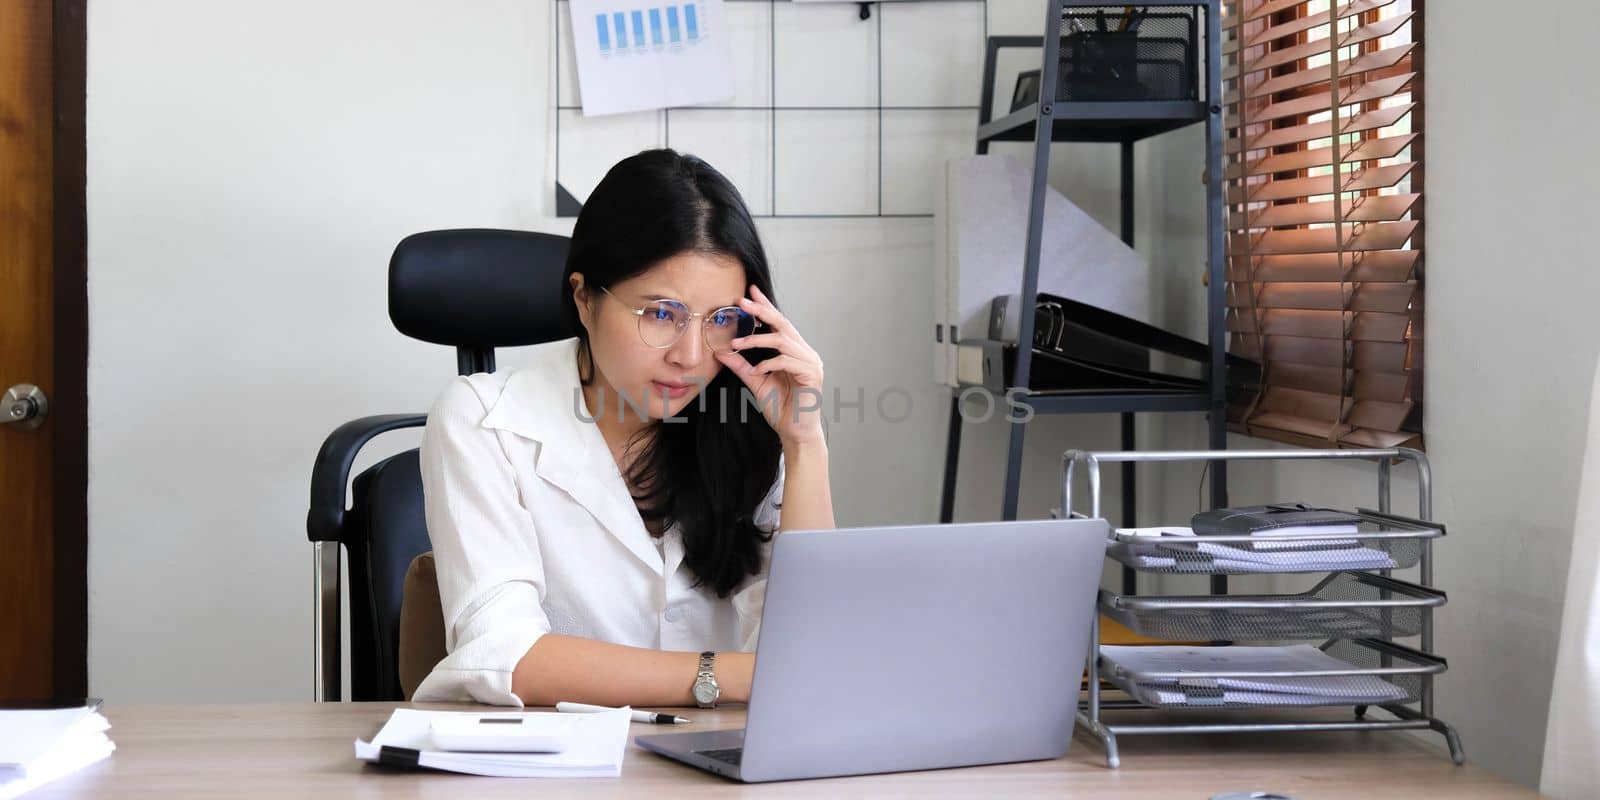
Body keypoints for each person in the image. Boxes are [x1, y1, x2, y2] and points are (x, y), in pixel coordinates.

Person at [412, 149, 835, 708]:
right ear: (584, 298)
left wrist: (805, 445)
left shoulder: (749, 423)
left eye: (720, 321)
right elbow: (507, 655)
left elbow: (813, 648)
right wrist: (732, 676)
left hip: (723, 765)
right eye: (662, 313)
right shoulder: (482, 419)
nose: (691, 356)